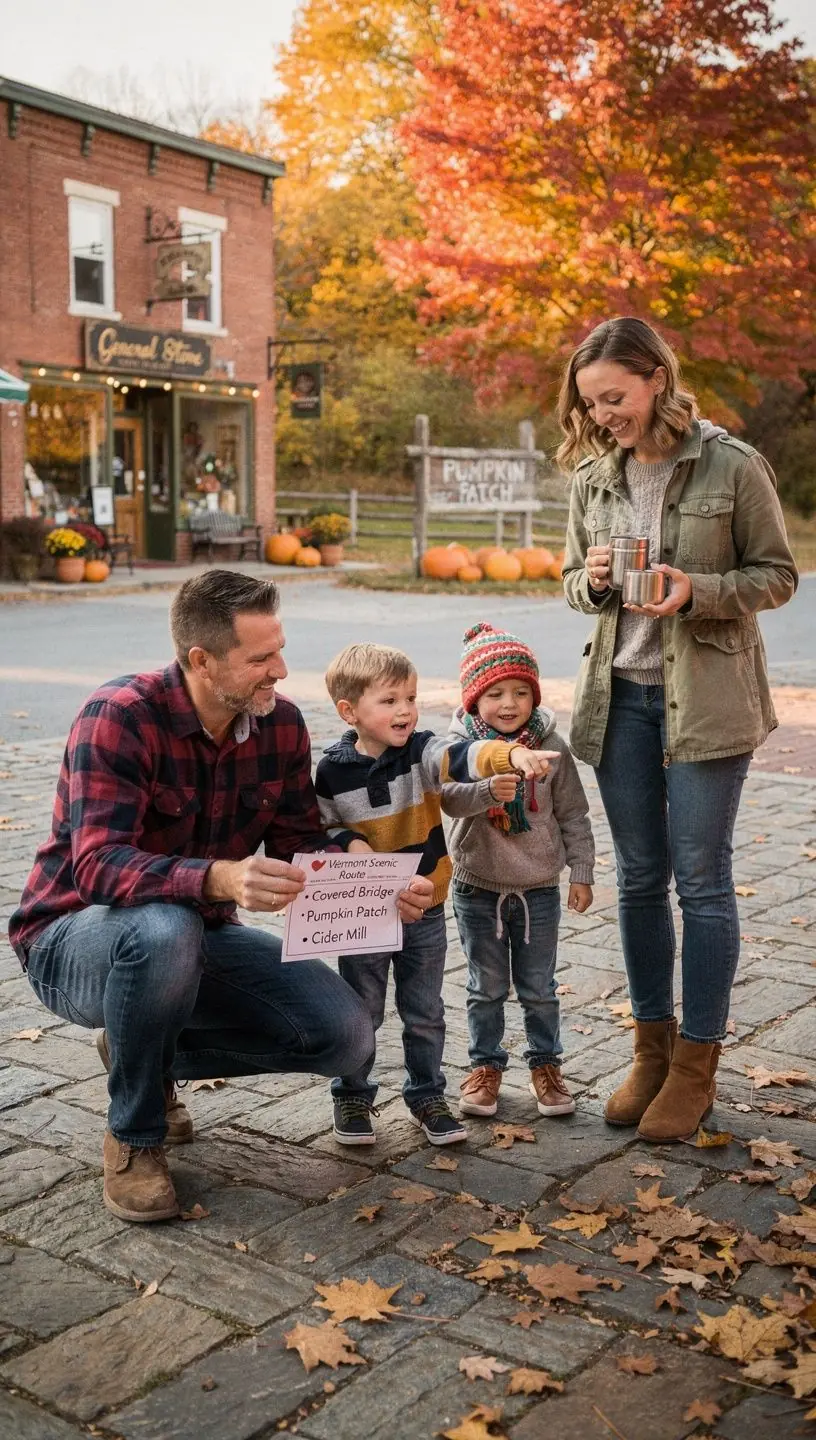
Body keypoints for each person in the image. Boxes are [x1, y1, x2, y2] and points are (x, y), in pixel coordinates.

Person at [8, 571, 434, 1223]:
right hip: (72, 939)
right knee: (165, 928)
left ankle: (140, 1051)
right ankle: (135, 1134)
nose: (281, 671)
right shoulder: (120, 715)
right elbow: (95, 866)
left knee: (348, 1036)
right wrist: (216, 880)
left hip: (194, 937)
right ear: (201, 661)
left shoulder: (280, 726)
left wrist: (374, 883)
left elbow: (297, 844)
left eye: (280, 650)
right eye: (261, 658)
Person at [560, 316, 798, 1143]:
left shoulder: (732, 465)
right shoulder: (594, 478)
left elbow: (777, 575)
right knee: (637, 878)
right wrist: (589, 580)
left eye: (614, 398)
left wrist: (693, 589)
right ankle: (649, 1052)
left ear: (657, 377)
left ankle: (696, 1065)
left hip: (707, 702)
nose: (602, 416)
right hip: (619, 698)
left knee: (699, 880)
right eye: (591, 404)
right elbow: (570, 583)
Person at [314, 642, 558, 1146]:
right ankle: (352, 1095)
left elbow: (462, 755)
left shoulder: (422, 750)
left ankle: (426, 1094)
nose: (405, 710)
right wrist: (350, 845)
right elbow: (320, 828)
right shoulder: (331, 772)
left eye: (411, 697)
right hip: (363, 914)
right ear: (349, 711)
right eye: (389, 701)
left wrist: (507, 754)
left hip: (425, 909)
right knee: (362, 1007)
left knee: (424, 1010)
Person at [441, 623, 594, 1120]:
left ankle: (545, 1065)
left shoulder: (551, 745)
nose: (509, 703)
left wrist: (582, 870)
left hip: (538, 888)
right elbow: (447, 800)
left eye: (521, 692)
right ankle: (486, 1066)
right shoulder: (461, 746)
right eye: (496, 693)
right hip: (476, 885)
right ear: (473, 699)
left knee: (539, 988)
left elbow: (573, 812)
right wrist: (487, 790)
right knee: (485, 986)